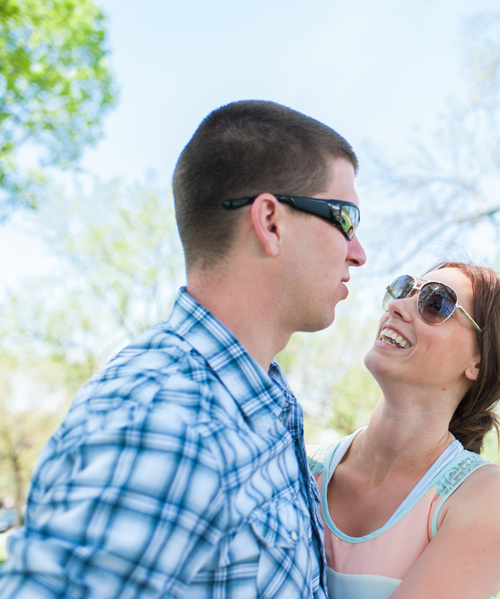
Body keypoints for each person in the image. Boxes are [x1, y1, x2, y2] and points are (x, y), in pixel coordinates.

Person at [0, 100, 366, 599]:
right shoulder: (169, 419)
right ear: (270, 222)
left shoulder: (256, 401)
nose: (358, 251)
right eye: (345, 218)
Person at [310, 261, 500, 599]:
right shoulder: (304, 469)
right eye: (402, 290)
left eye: (435, 304)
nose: (396, 306)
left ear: (479, 363)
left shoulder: (488, 496)